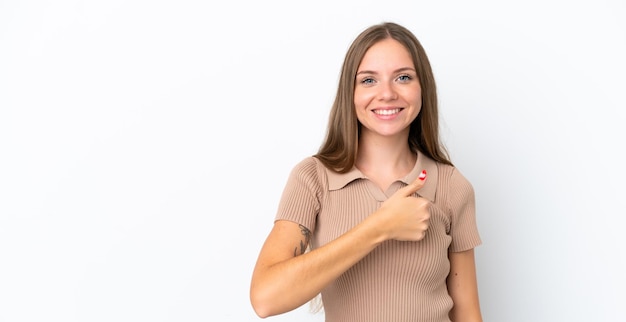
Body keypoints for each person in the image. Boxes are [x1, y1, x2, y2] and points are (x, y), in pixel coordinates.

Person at [250, 21, 483, 322]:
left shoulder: (451, 186)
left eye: (403, 77)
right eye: (369, 80)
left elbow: (467, 312)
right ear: (351, 92)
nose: (386, 94)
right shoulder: (313, 179)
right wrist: (379, 227)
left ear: (422, 88)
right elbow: (265, 299)